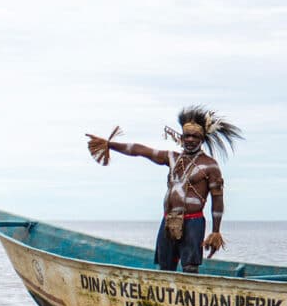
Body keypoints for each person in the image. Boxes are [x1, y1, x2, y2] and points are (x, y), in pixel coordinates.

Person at [86, 106, 243, 273]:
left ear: (202, 139)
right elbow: (141, 150)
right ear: (181, 138)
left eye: (195, 136)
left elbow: (217, 199)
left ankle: (187, 297)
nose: (190, 139)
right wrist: (110, 145)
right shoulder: (172, 158)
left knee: (190, 267)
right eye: (186, 136)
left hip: (193, 222)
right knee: (165, 266)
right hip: (168, 220)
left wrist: (216, 232)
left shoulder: (210, 165)